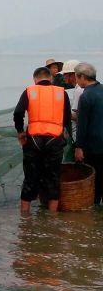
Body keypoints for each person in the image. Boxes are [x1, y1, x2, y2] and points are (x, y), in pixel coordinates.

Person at [14, 66, 72, 213]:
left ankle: (25, 217)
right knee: (53, 178)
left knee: (30, 178)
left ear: (35, 79)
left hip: (33, 139)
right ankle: (52, 216)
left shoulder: (29, 91)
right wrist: (65, 137)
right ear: (50, 78)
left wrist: (21, 132)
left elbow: (18, 113)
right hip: (55, 139)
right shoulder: (61, 93)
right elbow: (67, 119)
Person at [73, 62, 103, 204]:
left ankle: (94, 216)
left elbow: (82, 125)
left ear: (83, 77)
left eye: (77, 78)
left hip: (93, 146)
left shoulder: (86, 96)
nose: (77, 82)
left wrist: (79, 147)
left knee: (94, 182)